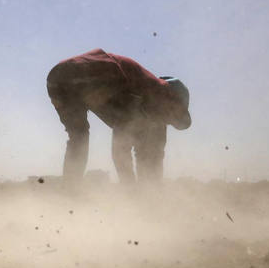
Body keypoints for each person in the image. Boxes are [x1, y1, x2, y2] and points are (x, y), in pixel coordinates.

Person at [47, 48, 191, 185]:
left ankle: (70, 192)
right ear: (174, 100)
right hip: (93, 74)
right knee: (147, 135)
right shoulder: (155, 89)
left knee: (79, 136)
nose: (169, 119)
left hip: (57, 80)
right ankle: (148, 194)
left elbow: (123, 143)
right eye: (174, 113)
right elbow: (121, 147)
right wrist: (130, 187)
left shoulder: (145, 94)